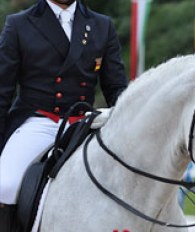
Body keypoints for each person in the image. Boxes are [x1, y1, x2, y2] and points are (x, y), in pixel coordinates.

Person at [0, 0, 128, 231]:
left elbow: (116, 89)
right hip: (38, 121)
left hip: (84, 123)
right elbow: (2, 91)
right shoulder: (19, 24)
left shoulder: (101, 25)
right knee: (5, 185)